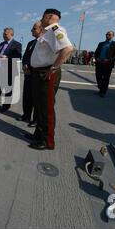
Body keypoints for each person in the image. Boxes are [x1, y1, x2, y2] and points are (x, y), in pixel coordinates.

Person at [26, 9, 73, 151]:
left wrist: (53, 68)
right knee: (40, 107)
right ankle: (39, 134)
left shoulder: (55, 29)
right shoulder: (47, 32)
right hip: (38, 73)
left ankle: (48, 141)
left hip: (46, 73)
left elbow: (68, 49)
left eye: (43, 16)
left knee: (46, 108)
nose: (41, 19)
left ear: (51, 17)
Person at [0, 27, 22, 112]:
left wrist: (7, 57)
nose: (3, 35)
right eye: (3, 34)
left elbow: (18, 56)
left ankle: (6, 106)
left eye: (5, 34)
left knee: (7, 89)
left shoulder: (17, 44)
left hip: (9, 69)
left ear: (11, 34)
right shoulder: (1, 44)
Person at [17, 21, 43, 127]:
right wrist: (24, 66)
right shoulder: (30, 43)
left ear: (41, 30)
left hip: (37, 74)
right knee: (27, 96)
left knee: (36, 98)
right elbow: (25, 57)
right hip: (28, 73)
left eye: (34, 28)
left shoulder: (43, 42)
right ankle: (26, 115)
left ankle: (36, 119)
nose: (31, 30)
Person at [94, 31, 115, 97]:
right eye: (106, 34)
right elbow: (96, 52)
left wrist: (108, 60)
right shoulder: (101, 43)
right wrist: (97, 58)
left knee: (106, 78)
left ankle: (103, 91)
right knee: (98, 76)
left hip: (108, 64)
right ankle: (101, 88)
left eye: (109, 34)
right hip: (99, 63)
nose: (107, 35)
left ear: (113, 36)